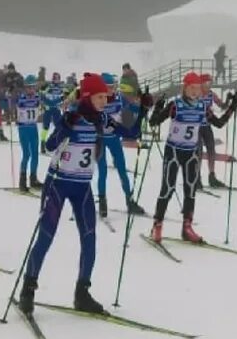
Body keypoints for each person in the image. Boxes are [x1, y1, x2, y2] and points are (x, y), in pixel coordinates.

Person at [18, 73, 148, 316]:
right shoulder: (73, 116)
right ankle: (28, 288)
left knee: (89, 238)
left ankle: (82, 293)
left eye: (105, 96)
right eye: (100, 96)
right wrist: (65, 126)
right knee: (46, 236)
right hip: (58, 183)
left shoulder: (102, 119)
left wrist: (142, 110)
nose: (105, 99)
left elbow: (130, 134)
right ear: (88, 96)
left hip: (82, 186)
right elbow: (49, 146)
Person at [146, 72, 237, 243]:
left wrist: (232, 107)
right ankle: (157, 225)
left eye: (198, 88)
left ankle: (187, 228)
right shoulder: (176, 106)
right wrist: (158, 107)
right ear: (185, 88)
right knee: (167, 189)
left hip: (190, 153)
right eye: (192, 88)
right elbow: (154, 122)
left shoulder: (202, 107)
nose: (196, 92)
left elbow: (218, 123)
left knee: (190, 189)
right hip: (173, 151)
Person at [95, 72, 145, 217]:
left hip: (114, 137)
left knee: (122, 169)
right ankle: (103, 202)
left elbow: (131, 110)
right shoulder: (98, 100)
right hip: (100, 138)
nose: (111, 90)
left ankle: (129, 201)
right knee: (103, 170)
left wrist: (139, 107)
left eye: (113, 87)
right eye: (108, 87)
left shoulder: (120, 99)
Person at [196, 74, 226, 189]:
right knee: (198, 153)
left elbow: (220, 104)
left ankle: (212, 176)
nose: (208, 86)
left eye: (210, 83)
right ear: (201, 83)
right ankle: (196, 178)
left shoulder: (211, 94)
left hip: (207, 126)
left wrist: (227, 103)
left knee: (211, 150)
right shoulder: (197, 94)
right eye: (207, 83)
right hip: (197, 127)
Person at [16, 75, 44, 191]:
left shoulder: (37, 97)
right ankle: (22, 181)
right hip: (23, 128)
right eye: (28, 88)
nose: (30, 90)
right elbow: (17, 109)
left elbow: (40, 107)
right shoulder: (22, 98)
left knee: (35, 154)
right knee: (26, 154)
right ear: (25, 88)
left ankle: (33, 178)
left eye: (32, 87)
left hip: (33, 128)